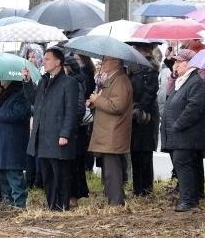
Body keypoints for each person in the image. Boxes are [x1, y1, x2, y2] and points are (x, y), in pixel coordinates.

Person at [23, 47, 79, 211]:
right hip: (43, 136)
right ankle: (52, 206)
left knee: (60, 175)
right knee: (47, 175)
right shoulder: (43, 81)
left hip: (58, 137)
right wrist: (26, 82)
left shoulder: (69, 83)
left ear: (58, 62)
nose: (44, 62)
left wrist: (65, 134)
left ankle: (62, 207)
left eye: (47, 59)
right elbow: (33, 100)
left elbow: (71, 112)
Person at [161, 49, 205, 211]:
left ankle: (188, 200)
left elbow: (194, 108)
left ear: (190, 64)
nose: (175, 65)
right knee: (184, 165)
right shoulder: (183, 80)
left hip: (186, 135)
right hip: (179, 135)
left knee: (184, 165)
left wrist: (178, 125)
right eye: (175, 62)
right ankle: (191, 198)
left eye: (179, 62)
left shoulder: (195, 82)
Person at [87, 56, 133, 207]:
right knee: (109, 168)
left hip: (113, 131)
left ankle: (116, 202)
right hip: (109, 130)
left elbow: (117, 106)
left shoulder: (120, 80)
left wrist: (97, 100)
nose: (103, 63)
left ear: (116, 62)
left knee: (112, 170)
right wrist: (94, 103)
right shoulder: (112, 78)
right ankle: (114, 200)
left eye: (106, 60)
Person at [0, 80, 30, 208]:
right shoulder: (5, 94)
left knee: (13, 174)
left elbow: (18, 114)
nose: (1, 81)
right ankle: (8, 202)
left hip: (14, 141)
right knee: (4, 174)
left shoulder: (20, 93)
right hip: (3, 140)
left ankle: (18, 204)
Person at [128, 43, 160, 197]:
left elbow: (150, 92)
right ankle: (137, 188)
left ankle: (146, 189)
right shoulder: (133, 68)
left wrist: (139, 109)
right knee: (135, 152)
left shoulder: (150, 69)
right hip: (133, 116)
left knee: (145, 154)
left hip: (146, 117)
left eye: (136, 48)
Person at [64, 54, 89, 207]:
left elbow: (79, 109)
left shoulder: (76, 83)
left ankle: (74, 198)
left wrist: (71, 128)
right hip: (70, 130)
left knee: (75, 166)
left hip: (75, 131)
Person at [21, 43, 44, 189]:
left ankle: (38, 179)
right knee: (29, 149)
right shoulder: (24, 73)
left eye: (33, 56)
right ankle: (29, 178)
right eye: (28, 56)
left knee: (37, 149)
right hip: (27, 116)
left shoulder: (42, 74)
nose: (31, 59)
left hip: (38, 117)